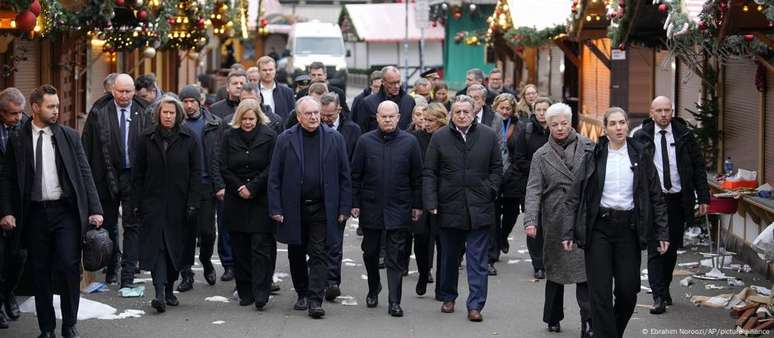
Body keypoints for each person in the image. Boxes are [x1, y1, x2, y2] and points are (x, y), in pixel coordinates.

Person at [0, 84, 103, 338]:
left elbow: (84, 173)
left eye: (57, 106)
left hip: (64, 212)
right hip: (34, 214)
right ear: (35, 108)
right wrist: (7, 211)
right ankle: (46, 329)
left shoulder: (69, 136)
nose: (56, 111)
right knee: (39, 270)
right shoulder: (18, 139)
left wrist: (95, 209)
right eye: (51, 106)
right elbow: (7, 179)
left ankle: (69, 324)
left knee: (69, 266)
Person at [562, 107, 669, 338]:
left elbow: (656, 196)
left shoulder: (640, 154)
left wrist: (662, 233)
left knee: (628, 291)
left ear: (627, 125)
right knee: (599, 293)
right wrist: (568, 232)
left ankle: (611, 333)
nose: (619, 127)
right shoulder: (594, 154)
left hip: (629, 230)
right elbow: (574, 195)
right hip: (599, 228)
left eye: (622, 123)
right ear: (605, 128)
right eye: (613, 124)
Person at [268, 96, 352, 319]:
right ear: (298, 116)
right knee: (296, 251)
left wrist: (345, 207)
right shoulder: (285, 139)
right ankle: (302, 293)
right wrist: (275, 207)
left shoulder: (335, 138)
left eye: (317, 113)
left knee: (318, 253)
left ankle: (316, 299)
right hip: (294, 207)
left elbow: (345, 175)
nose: (314, 117)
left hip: (323, 208)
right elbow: (274, 176)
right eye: (309, 113)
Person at [423, 95, 502, 322]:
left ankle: (475, 305)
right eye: (457, 112)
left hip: (480, 207)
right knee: (449, 257)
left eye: (466, 112)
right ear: (451, 114)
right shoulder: (439, 138)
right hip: (449, 208)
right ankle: (448, 296)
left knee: (478, 260)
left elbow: (497, 167)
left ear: (473, 112)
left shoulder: (487, 136)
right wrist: (431, 202)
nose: (462, 116)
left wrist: (491, 190)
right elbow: (429, 172)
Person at [634, 96, 710, 314]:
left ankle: (664, 288)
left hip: (678, 199)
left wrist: (703, 197)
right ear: (651, 113)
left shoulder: (685, 135)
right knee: (656, 248)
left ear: (673, 111)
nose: (664, 114)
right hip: (654, 201)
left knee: (672, 249)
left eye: (667, 110)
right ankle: (658, 297)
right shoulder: (641, 136)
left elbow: (698, 167)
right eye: (659, 110)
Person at [524, 103, 593, 336]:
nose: (560, 128)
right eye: (555, 125)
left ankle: (589, 321)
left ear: (571, 122)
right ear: (549, 126)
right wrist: (530, 221)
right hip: (554, 218)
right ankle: (553, 316)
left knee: (585, 272)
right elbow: (533, 190)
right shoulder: (541, 155)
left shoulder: (589, 147)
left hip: (582, 218)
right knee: (555, 272)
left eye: (564, 123)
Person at [351, 101, 423, 317]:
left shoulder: (410, 142)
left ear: (399, 117)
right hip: (371, 206)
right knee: (370, 252)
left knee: (395, 256)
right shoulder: (365, 141)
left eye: (392, 116)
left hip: (399, 206)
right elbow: (355, 176)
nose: (388, 120)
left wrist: (417, 205)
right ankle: (374, 287)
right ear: (377, 117)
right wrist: (354, 203)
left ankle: (394, 301)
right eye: (384, 116)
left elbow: (417, 177)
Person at [131, 95, 201, 313]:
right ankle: (159, 293)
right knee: (157, 248)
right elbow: (138, 173)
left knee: (175, 249)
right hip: (153, 203)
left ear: (177, 115)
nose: (168, 116)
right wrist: (135, 202)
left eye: (171, 113)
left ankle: (169, 289)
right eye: (164, 112)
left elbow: (196, 173)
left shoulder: (188, 138)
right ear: (158, 114)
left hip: (179, 204)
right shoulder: (146, 138)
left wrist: (193, 201)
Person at [81, 73, 148, 287]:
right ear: (112, 91)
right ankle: (111, 268)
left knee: (132, 224)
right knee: (108, 224)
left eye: (129, 91)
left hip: (133, 175)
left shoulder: (144, 111)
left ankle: (127, 275)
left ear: (134, 91)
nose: (125, 95)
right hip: (105, 175)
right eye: (121, 91)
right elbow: (87, 146)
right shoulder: (99, 112)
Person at [220, 99, 277, 311]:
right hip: (236, 200)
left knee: (261, 248)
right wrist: (239, 187)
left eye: (251, 118)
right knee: (240, 248)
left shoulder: (270, 137)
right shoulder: (228, 137)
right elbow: (223, 166)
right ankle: (245, 291)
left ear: (258, 118)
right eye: (244, 118)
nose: (247, 122)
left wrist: (253, 187)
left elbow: (273, 167)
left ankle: (261, 292)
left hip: (260, 199)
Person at [176, 85, 224, 292]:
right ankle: (186, 273)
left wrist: (219, 183)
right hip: (184, 186)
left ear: (200, 102)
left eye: (192, 101)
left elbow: (221, 155)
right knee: (185, 233)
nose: (188, 105)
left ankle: (205, 260)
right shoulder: (176, 124)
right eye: (185, 102)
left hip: (206, 185)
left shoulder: (214, 124)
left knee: (207, 232)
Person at [319, 93, 361, 301]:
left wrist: (351, 202)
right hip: (317, 195)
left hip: (340, 194)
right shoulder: (314, 129)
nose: (325, 119)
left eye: (329, 115)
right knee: (317, 242)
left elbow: (354, 170)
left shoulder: (352, 130)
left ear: (339, 111)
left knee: (334, 242)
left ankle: (332, 281)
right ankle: (318, 280)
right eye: (322, 114)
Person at [511, 97, 552, 279]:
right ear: (533, 111)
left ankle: (550, 260)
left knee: (552, 224)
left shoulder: (559, 130)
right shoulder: (525, 131)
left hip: (555, 186)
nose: (542, 113)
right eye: (539, 109)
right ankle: (538, 263)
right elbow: (518, 159)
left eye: (546, 109)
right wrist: (539, 169)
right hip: (531, 185)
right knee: (534, 224)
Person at [413, 102, 448, 296]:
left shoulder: (448, 138)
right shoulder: (415, 138)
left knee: (443, 242)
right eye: (424, 119)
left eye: (430, 120)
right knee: (421, 240)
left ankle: (441, 285)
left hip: (444, 196)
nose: (426, 123)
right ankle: (423, 272)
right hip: (421, 195)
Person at [0, 88, 28, 327]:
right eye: (12, 114)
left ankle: (8, 293)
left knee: (18, 255)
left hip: (19, 201)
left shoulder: (25, 127)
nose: (17, 118)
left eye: (20, 113)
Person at [487, 93, 520, 273]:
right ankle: (492, 252)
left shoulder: (519, 126)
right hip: (494, 174)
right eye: (502, 108)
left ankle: (503, 236)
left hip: (512, 176)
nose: (505, 112)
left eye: (509, 109)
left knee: (511, 213)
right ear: (495, 107)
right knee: (492, 215)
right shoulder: (491, 122)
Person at [357, 66, 414, 132]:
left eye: (398, 82)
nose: (396, 86)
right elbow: (362, 131)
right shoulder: (367, 103)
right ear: (383, 82)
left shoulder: (409, 101)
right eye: (392, 83)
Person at [257, 56, 295, 121]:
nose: (268, 72)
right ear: (259, 71)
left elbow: (292, 115)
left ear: (275, 70)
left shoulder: (287, 92)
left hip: (282, 130)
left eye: (270, 69)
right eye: (264, 70)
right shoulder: (253, 91)